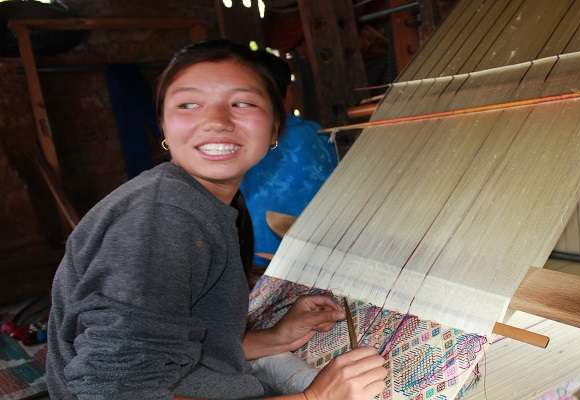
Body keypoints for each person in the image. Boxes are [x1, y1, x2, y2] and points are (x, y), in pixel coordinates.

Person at [46, 40, 387, 400]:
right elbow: (116, 393)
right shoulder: (163, 219)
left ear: (275, 128)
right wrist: (316, 397)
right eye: (189, 104)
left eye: (242, 103)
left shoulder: (208, 202)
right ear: (163, 125)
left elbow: (180, 348)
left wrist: (274, 339)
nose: (216, 121)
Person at [240, 51, 337, 268]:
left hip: (251, 259)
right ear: (290, 93)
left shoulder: (233, 142)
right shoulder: (316, 135)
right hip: (317, 257)